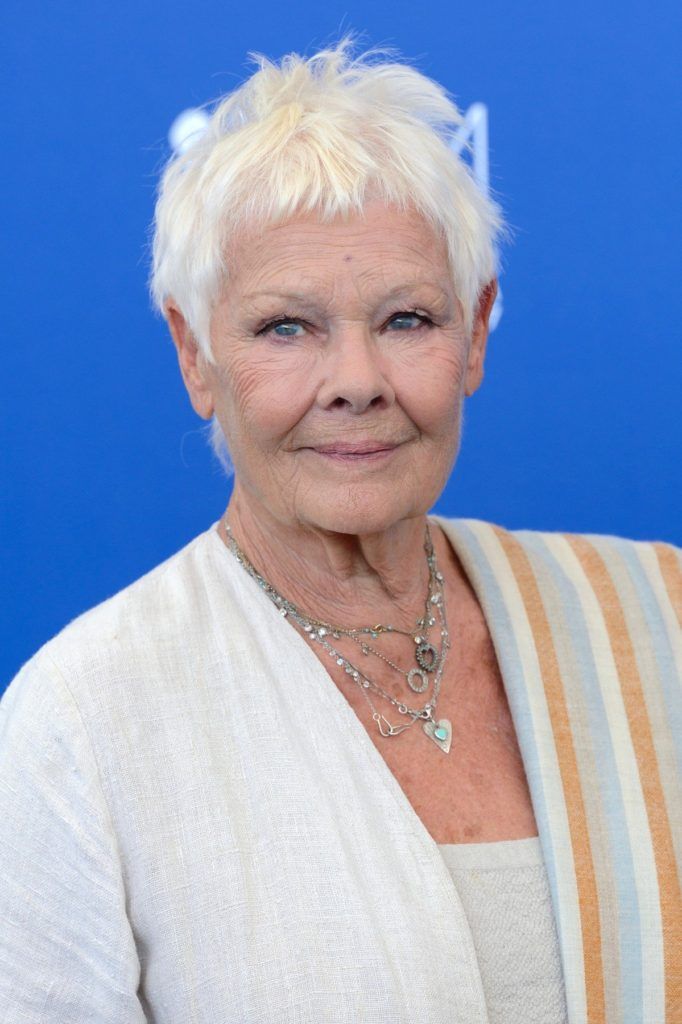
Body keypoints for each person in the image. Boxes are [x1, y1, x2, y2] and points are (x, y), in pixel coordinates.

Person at [1, 40, 679, 1024]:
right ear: (194, 354)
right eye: (286, 327)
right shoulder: (84, 722)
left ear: (477, 331)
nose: (356, 379)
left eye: (407, 319)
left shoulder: (657, 617)